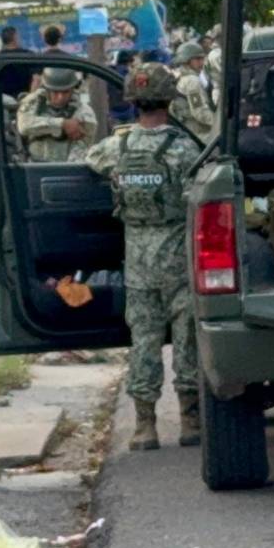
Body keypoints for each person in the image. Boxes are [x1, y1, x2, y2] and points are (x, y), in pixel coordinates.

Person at [86, 63, 201, 451]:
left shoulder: (116, 147)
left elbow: (91, 160)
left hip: (137, 263)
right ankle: (189, 420)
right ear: (169, 101)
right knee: (187, 341)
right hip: (179, 260)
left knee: (144, 342)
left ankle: (145, 427)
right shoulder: (185, 150)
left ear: (133, 103)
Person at [18, 66, 97, 162]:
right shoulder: (34, 101)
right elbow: (24, 126)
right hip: (32, 166)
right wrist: (62, 124)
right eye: (55, 92)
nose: (60, 97)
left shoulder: (83, 110)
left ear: (72, 89)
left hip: (64, 169)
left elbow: (82, 148)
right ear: (46, 89)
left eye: (65, 92)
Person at [170, 41, 217, 141]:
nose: (201, 63)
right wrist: (219, 123)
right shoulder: (192, 80)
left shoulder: (181, 77)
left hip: (186, 130)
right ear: (186, 60)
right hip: (198, 134)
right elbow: (199, 112)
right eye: (197, 59)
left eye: (202, 59)